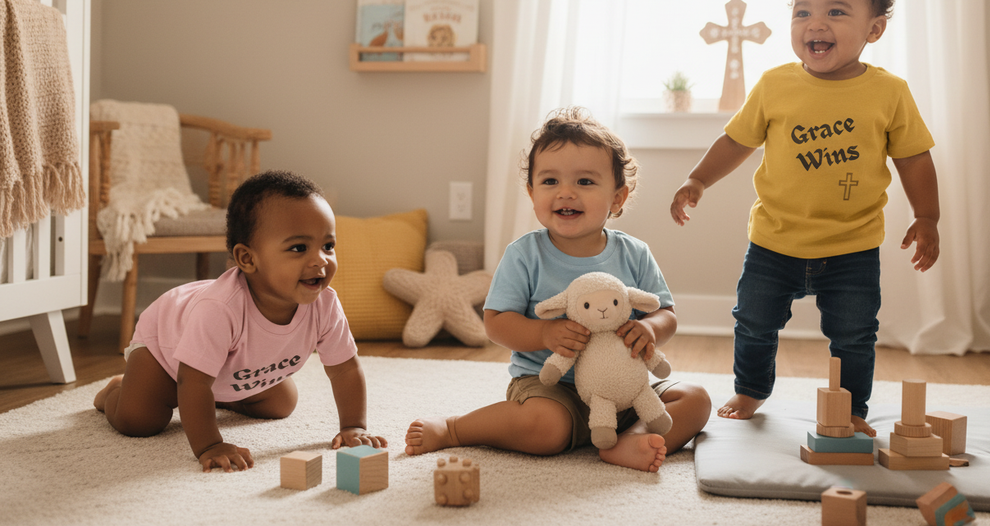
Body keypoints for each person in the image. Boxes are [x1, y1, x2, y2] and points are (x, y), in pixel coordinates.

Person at [669, 0, 940, 436]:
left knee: (855, 335)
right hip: (775, 239)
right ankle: (751, 389)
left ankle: (853, 408)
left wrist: (928, 217)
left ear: (873, 28)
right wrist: (698, 178)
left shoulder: (889, 92)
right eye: (803, 12)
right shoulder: (775, 85)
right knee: (753, 321)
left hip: (852, 245)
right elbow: (736, 140)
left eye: (836, 12)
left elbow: (914, 157)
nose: (816, 24)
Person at [406, 107, 712, 472]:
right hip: (550, 389)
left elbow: (665, 313)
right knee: (545, 429)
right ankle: (456, 428)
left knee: (696, 399)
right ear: (532, 192)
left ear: (617, 198)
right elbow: (496, 322)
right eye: (550, 182)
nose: (566, 193)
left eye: (584, 182)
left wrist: (650, 328)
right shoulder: (525, 255)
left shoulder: (634, 253)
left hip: (625, 392)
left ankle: (632, 439)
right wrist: (544, 332)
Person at [93, 170, 387, 472]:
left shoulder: (325, 303)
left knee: (281, 403)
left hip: (223, 372)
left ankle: (220, 395)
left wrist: (354, 426)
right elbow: (192, 380)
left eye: (328, 246)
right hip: (165, 348)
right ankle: (115, 390)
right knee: (139, 419)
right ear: (248, 259)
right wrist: (210, 444)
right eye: (299, 248)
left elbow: (345, 370)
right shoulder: (220, 309)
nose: (321, 260)